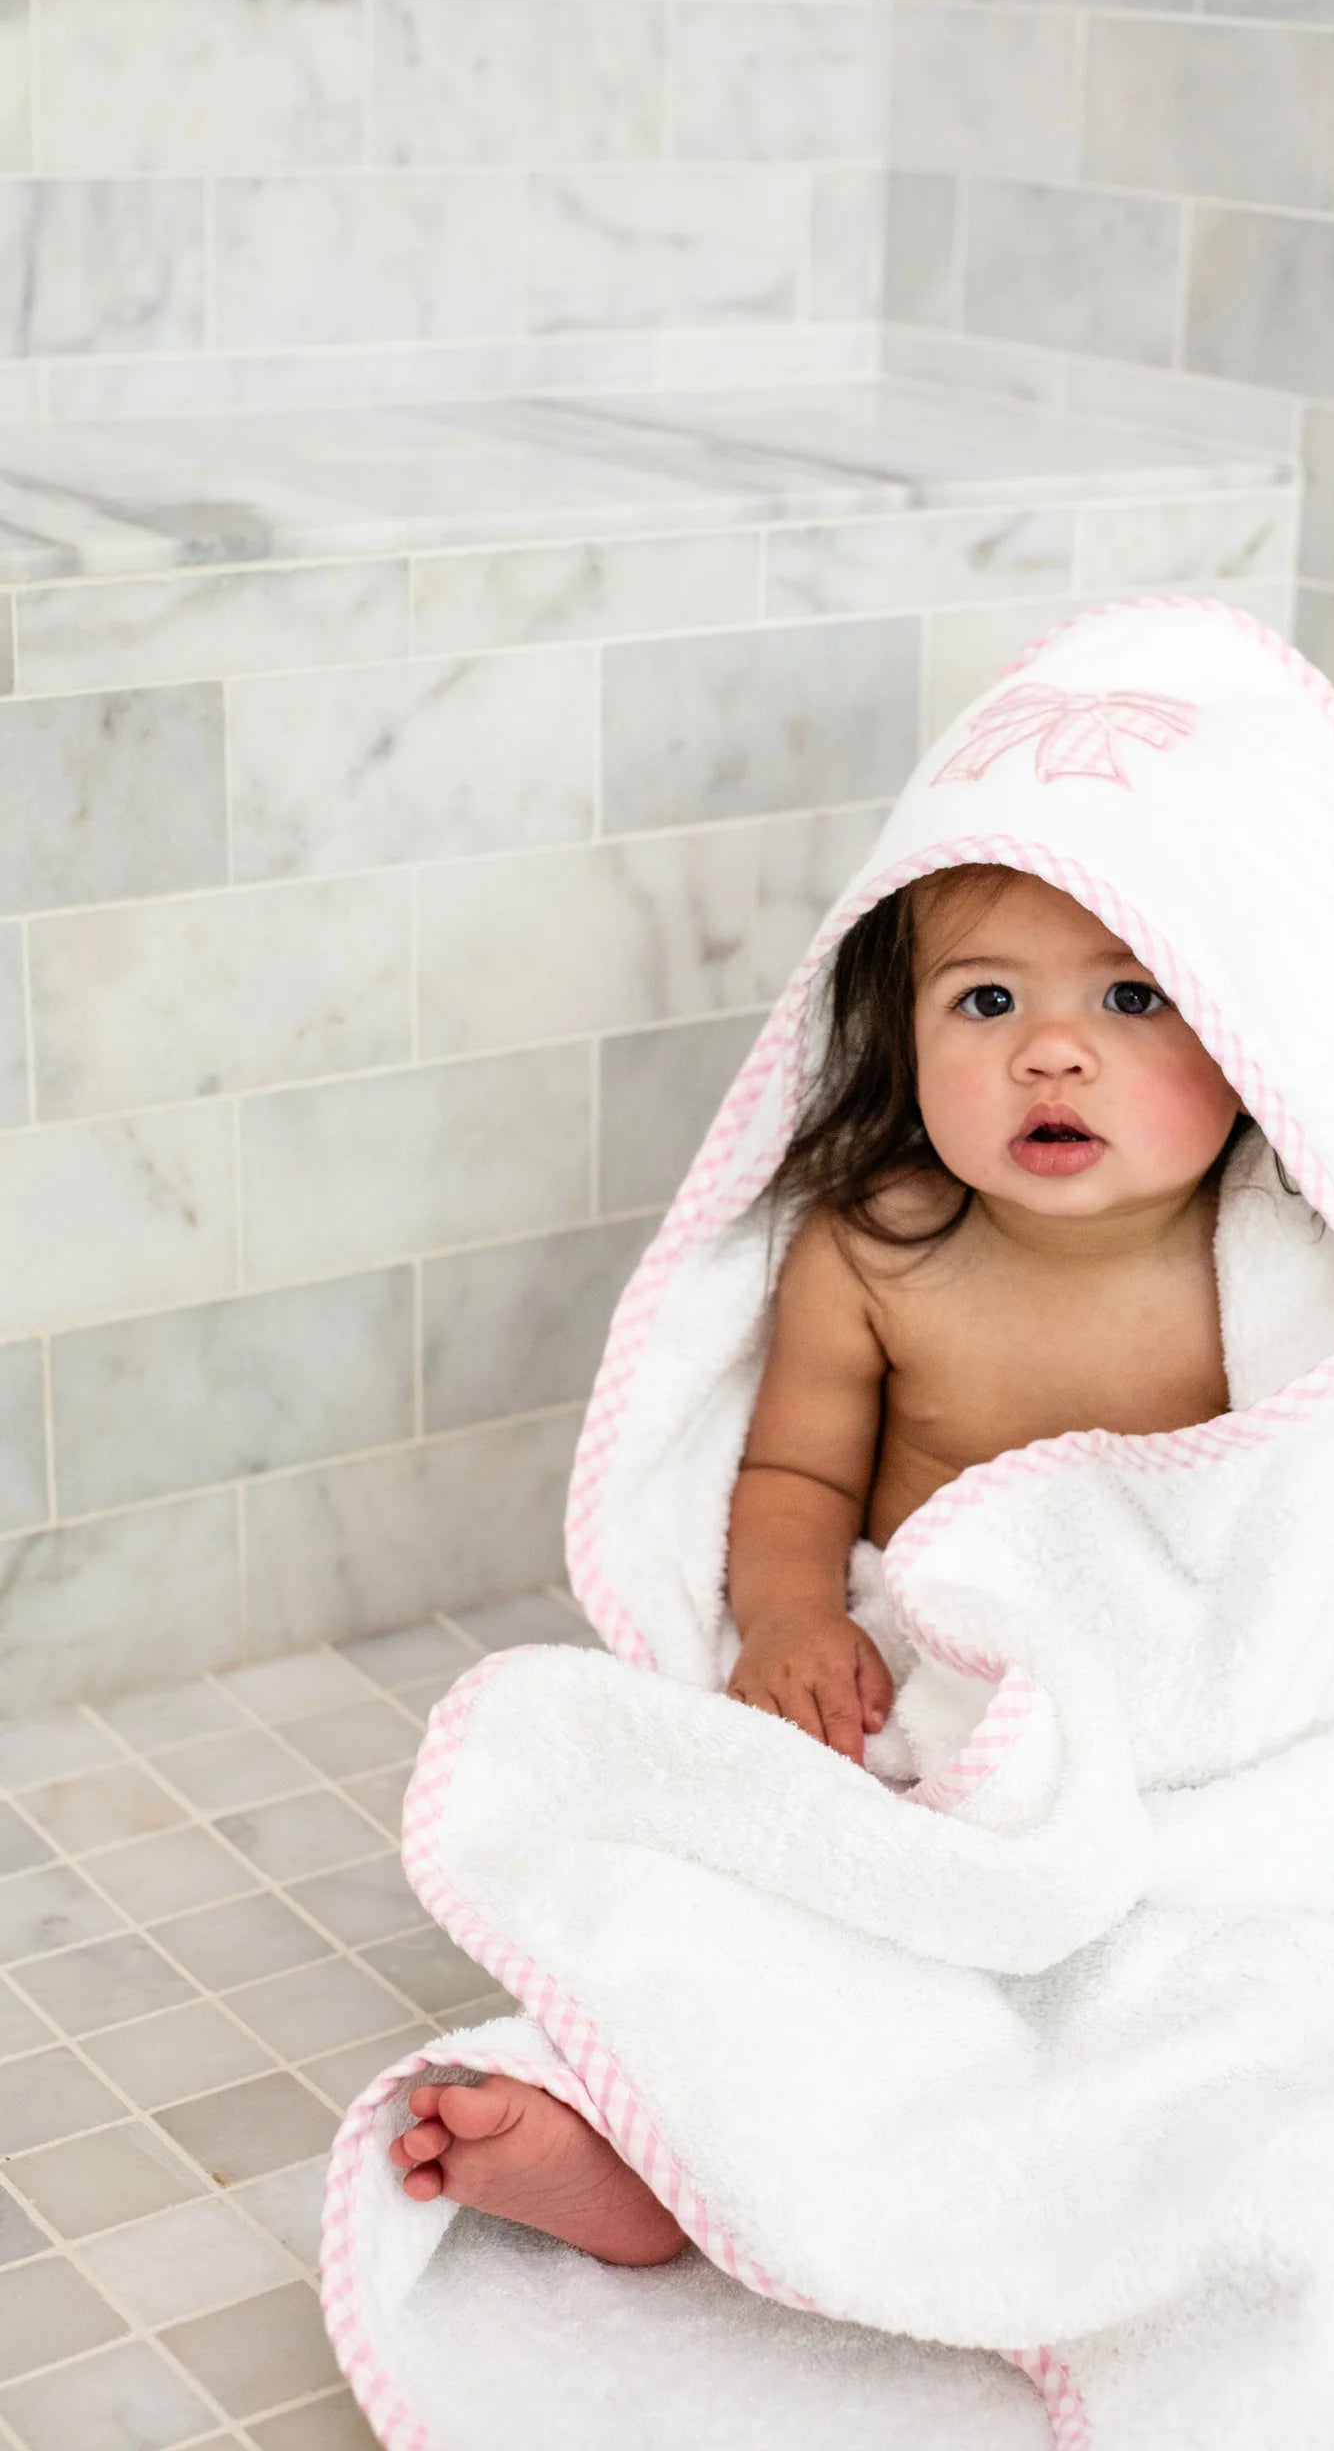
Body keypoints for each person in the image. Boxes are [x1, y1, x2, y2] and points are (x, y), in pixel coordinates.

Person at [389, 859, 1252, 2258]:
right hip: (911, 1690)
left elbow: (1316, 1529)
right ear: (899, 1040)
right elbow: (796, 1476)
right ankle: (630, 2131)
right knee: (738, 1883)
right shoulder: (877, 1248)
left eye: (1133, 998)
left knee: (1186, 1961)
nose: (1052, 1049)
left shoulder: (1272, 1270)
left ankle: (1000, 2159)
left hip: (1141, 1725)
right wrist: (790, 1620)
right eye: (986, 1001)